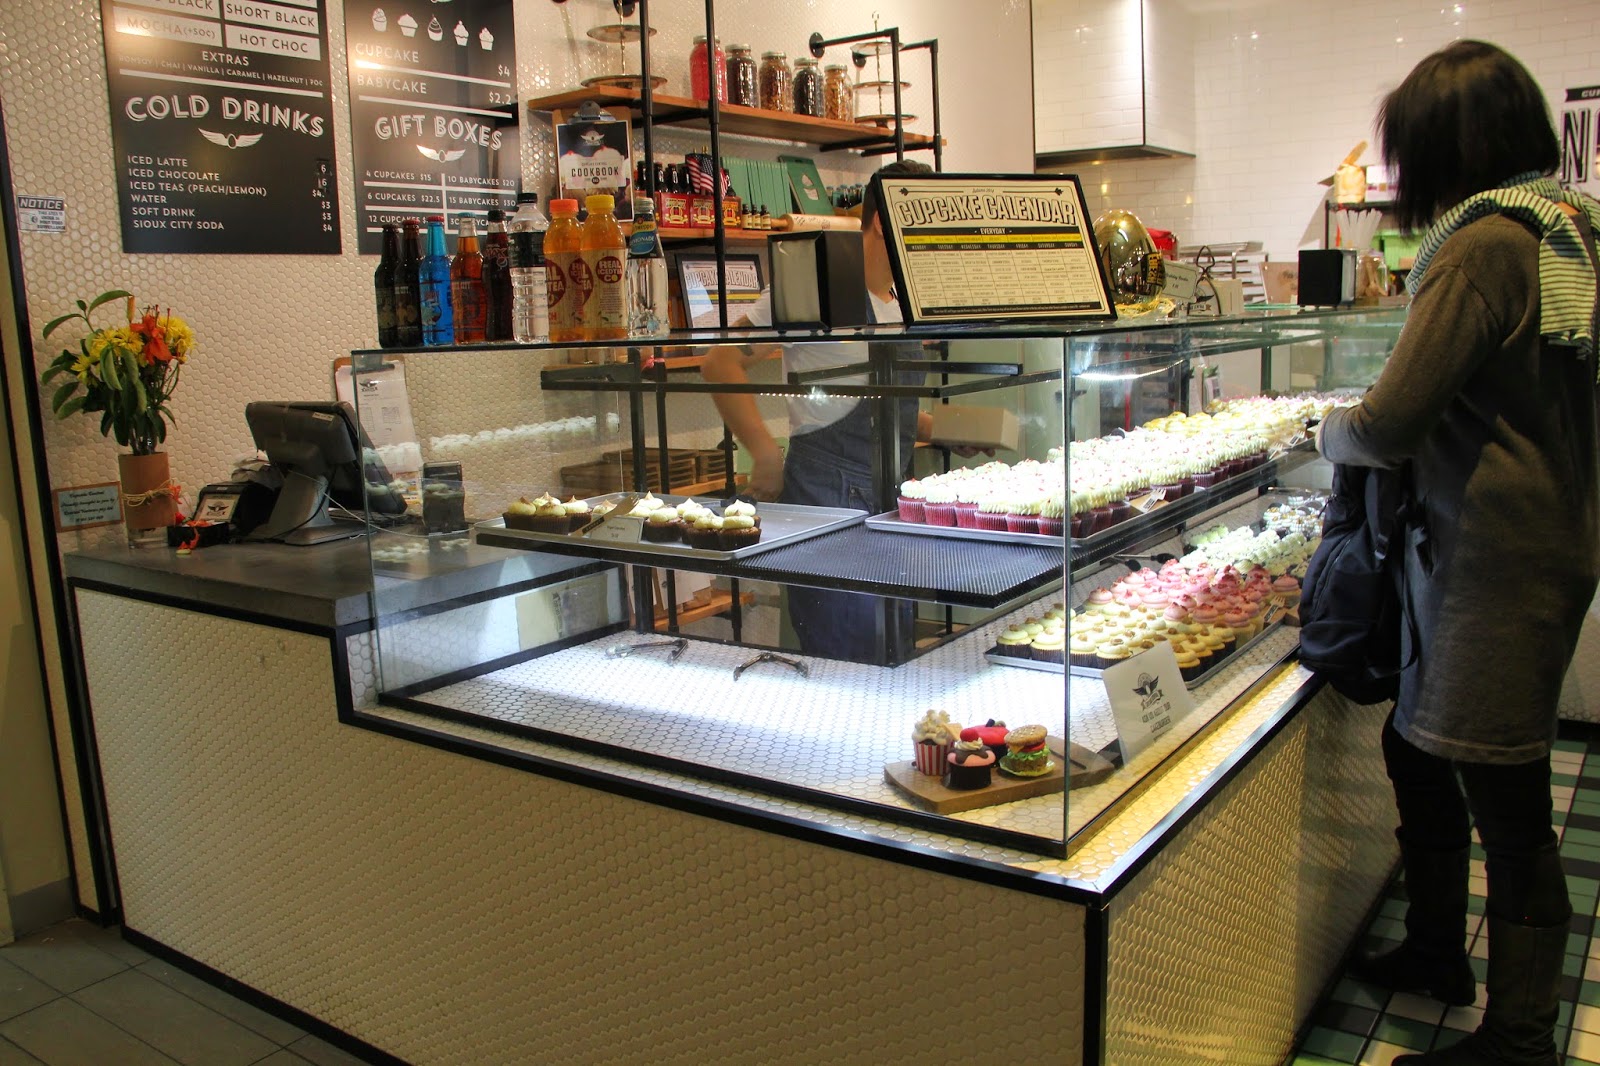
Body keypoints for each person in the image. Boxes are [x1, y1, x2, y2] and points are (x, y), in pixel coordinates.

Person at [1315, 41, 1600, 1066]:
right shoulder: (1564, 226)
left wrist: (1320, 431)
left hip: (1495, 565)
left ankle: (1520, 1040)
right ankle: (1438, 949)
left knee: (1509, 803)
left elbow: (1389, 422)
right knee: (1416, 746)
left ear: (1445, 146)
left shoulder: (1481, 244)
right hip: (1537, 542)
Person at [701, 159, 934, 663]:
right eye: (925, 220)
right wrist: (764, 453)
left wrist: (941, 428)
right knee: (846, 657)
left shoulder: (902, 299)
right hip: (828, 495)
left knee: (893, 655)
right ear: (882, 221)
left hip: (891, 495)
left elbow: (872, 399)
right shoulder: (817, 282)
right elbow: (720, 360)